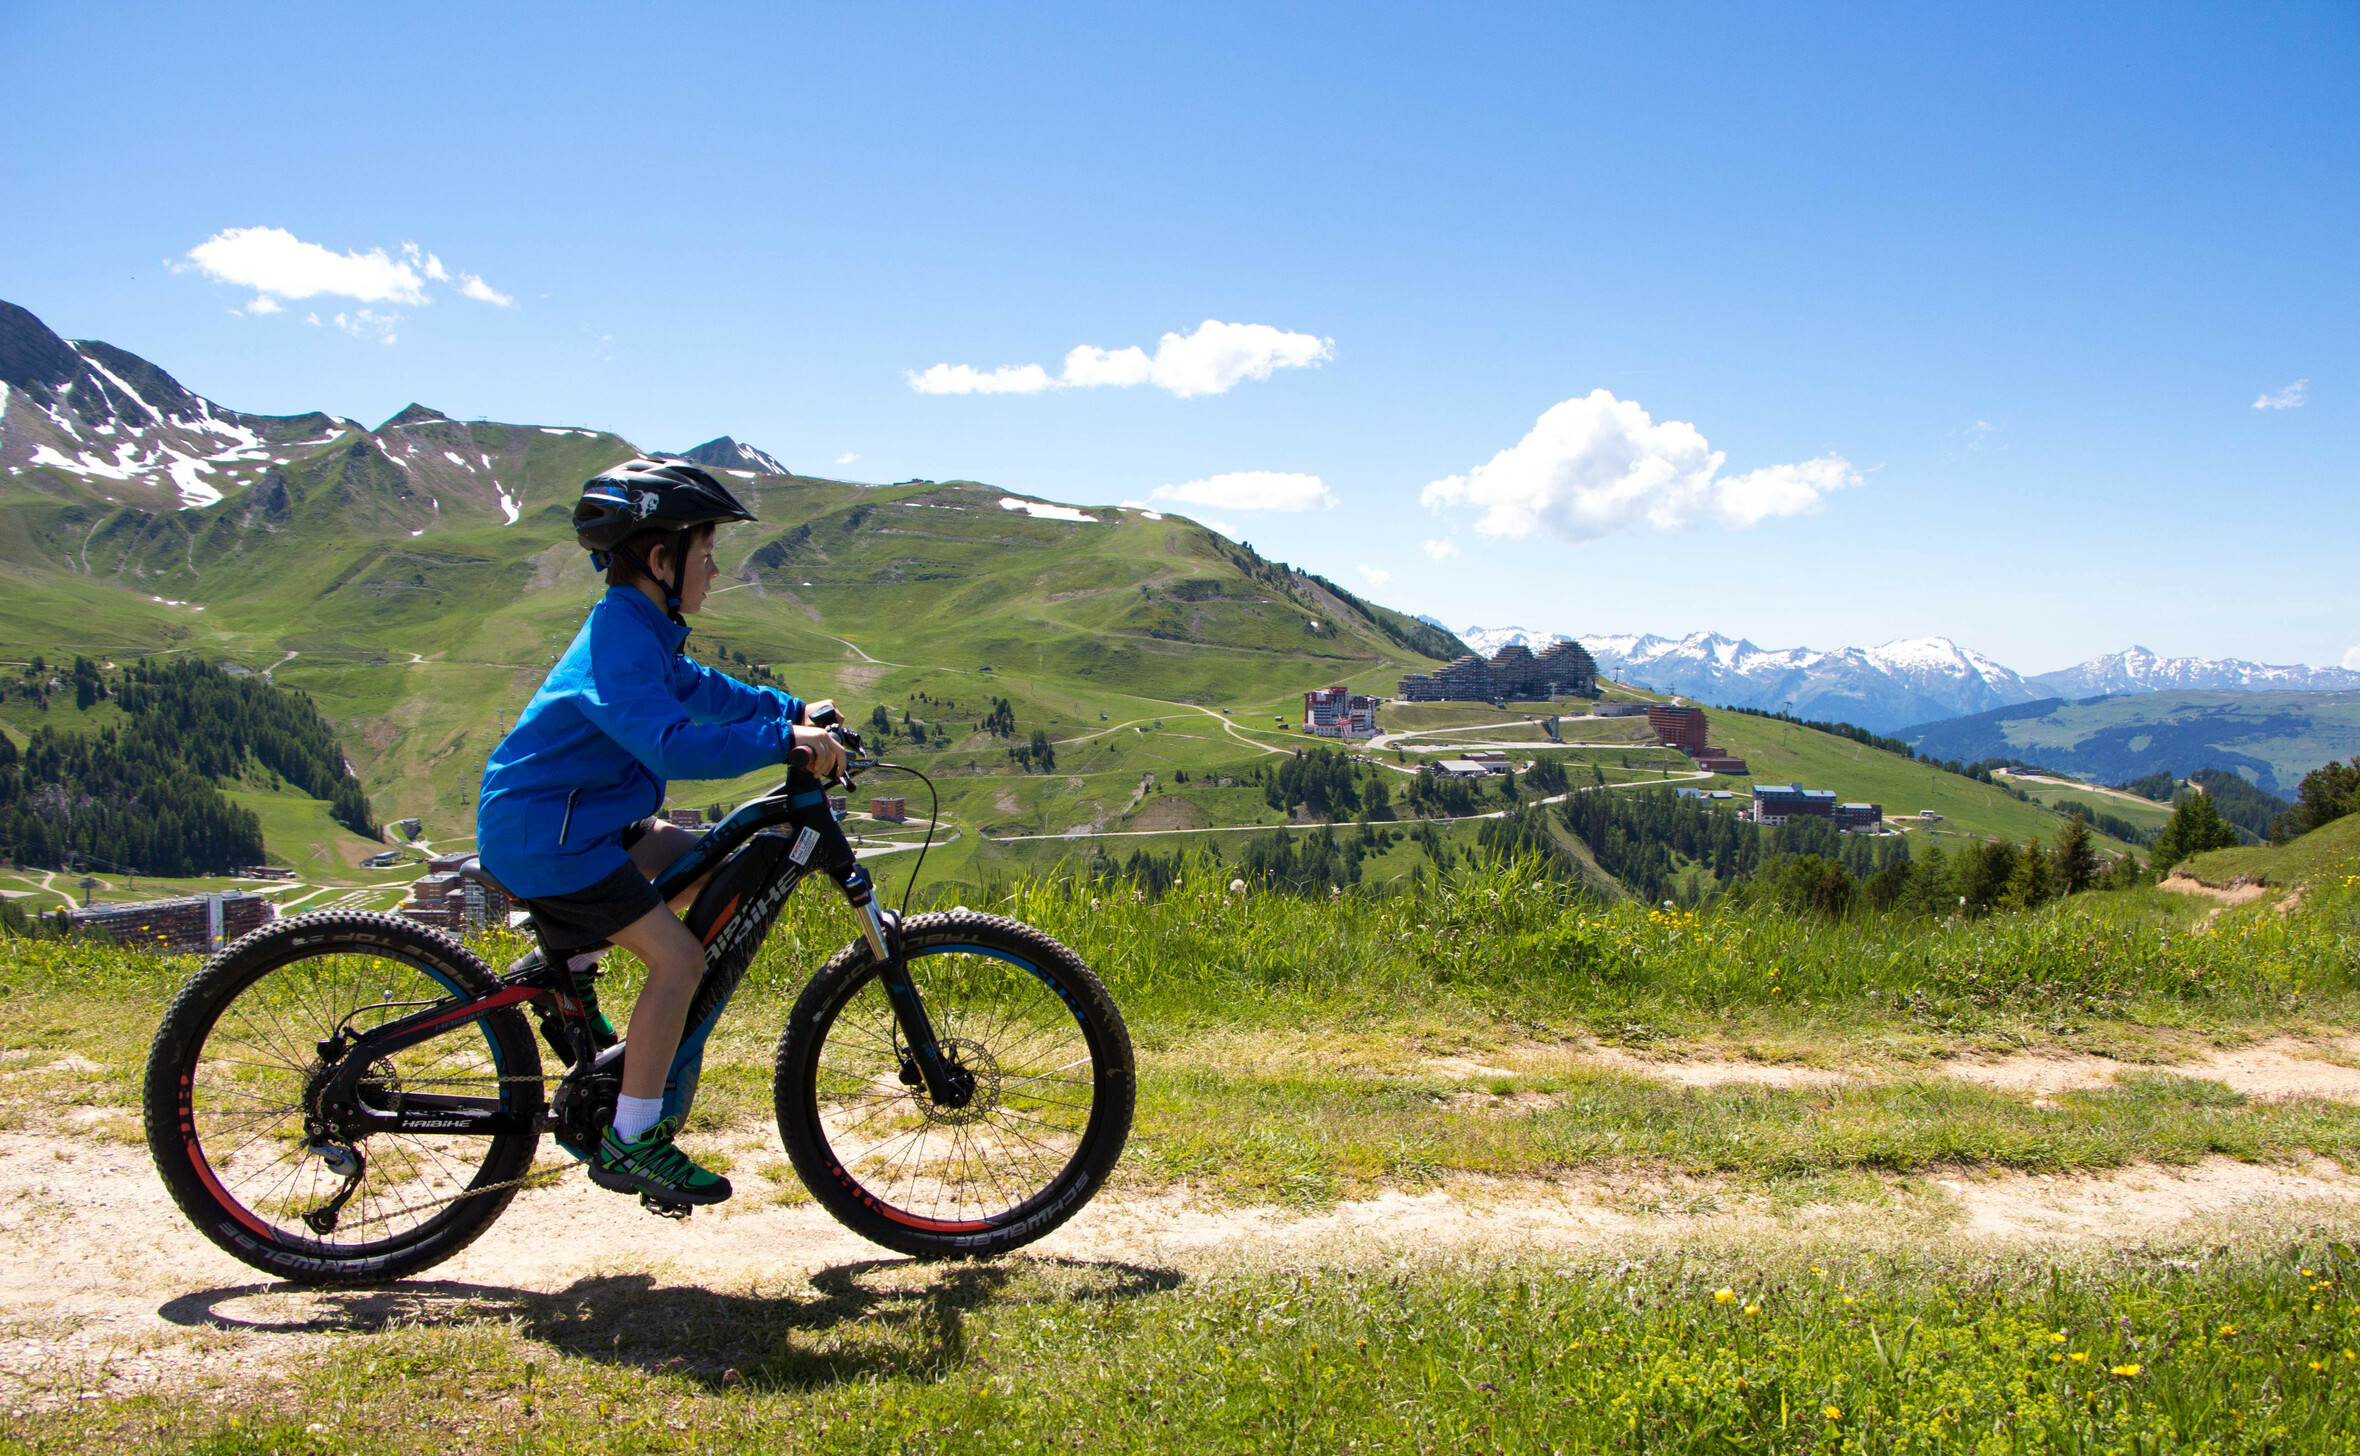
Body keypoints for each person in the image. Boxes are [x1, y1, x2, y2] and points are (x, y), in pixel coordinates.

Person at [476, 459, 845, 1205]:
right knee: (676, 960)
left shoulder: (641, 627)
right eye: (706, 556)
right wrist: (786, 743)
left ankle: (562, 980)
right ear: (660, 558)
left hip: (583, 820)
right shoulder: (620, 636)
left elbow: (704, 691)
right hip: (552, 836)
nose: (712, 572)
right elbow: (672, 742)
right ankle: (634, 1137)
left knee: (711, 867)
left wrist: (792, 708)